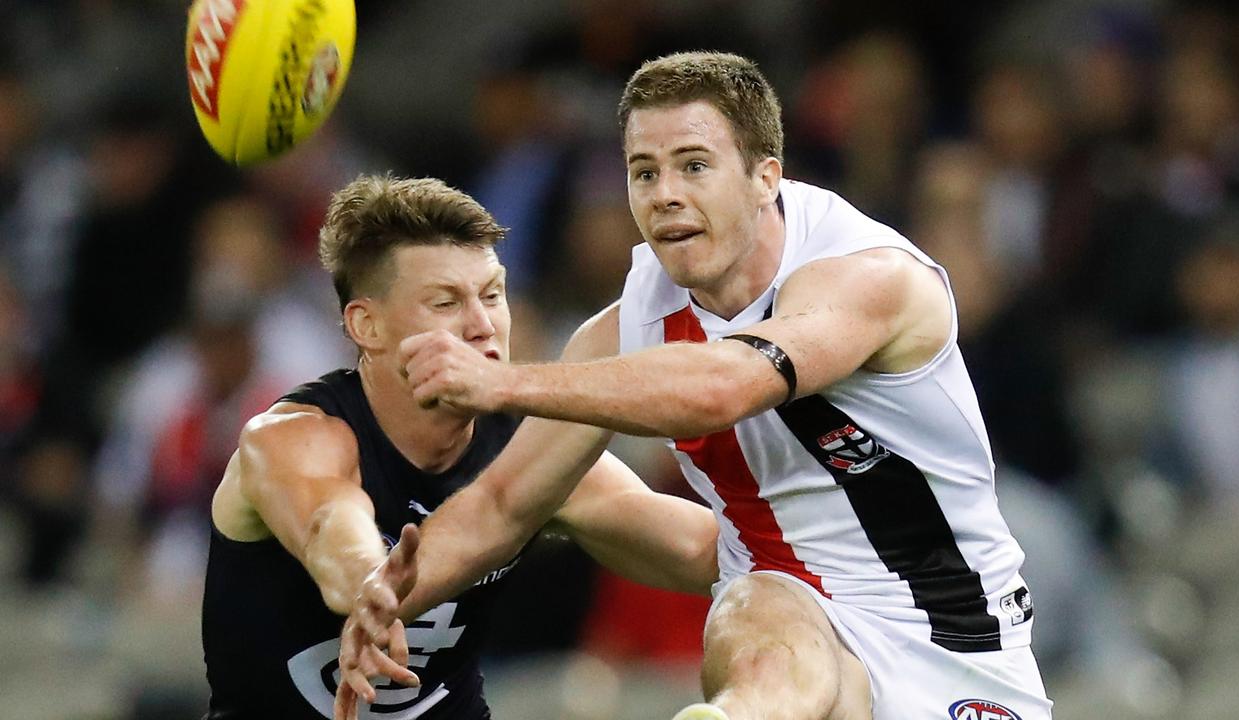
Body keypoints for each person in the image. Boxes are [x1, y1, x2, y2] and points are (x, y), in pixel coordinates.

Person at [338, 52, 1053, 720]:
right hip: (793, 618)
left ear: (765, 177)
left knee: (745, 588)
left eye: (694, 166)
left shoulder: (867, 275)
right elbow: (499, 503)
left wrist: (502, 383)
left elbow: (726, 385)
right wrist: (384, 603)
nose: (666, 196)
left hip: (959, 645)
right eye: (644, 172)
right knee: (758, 605)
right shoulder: (628, 326)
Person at [202, 174, 719, 719]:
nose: (483, 326)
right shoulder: (290, 437)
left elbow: (700, 549)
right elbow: (328, 523)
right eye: (446, 302)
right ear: (366, 324)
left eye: (493, 295)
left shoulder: (525, 451)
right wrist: (369, 582)